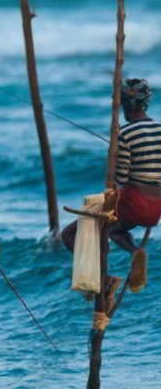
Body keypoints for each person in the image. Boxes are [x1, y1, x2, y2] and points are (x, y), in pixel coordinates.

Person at [60, 78, 159, 282]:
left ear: (123, 106)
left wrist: (113, 156)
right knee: (118, 229)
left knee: (70, 234)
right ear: (146, 102)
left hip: (134, 203)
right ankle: (132, 254)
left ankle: (110, 272)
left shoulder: (124, 133)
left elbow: (121, 178)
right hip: (156, 207)